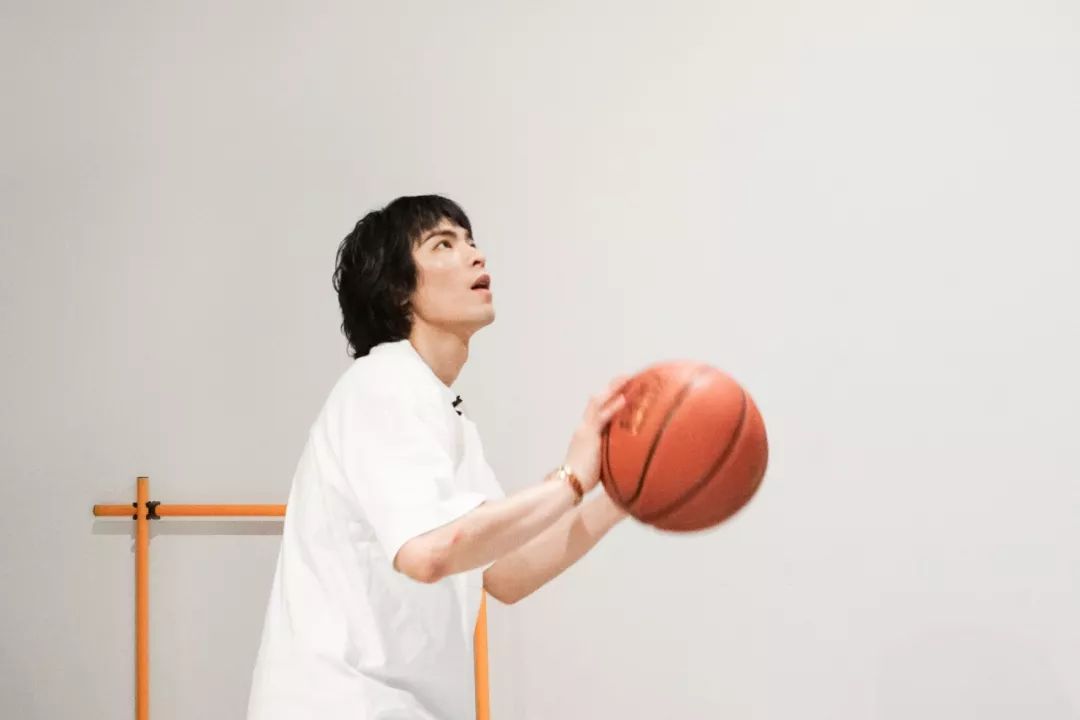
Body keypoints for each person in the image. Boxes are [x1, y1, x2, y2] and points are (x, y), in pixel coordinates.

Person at [247, 195, 629, 720]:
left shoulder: (443, 412)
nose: (475, 255)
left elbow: (506, 572)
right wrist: (571, 481)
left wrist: (622, 495)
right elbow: (427, 552)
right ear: (399, 290)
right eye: (443, 245)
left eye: (470, 241)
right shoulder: (382, 382)